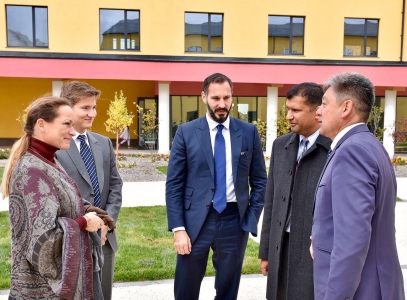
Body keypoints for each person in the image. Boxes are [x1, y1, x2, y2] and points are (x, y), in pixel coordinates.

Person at [166, 72, 267, 300]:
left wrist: (250, 219)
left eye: (227, 98)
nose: (222, 105)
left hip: (234, 220)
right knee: (185, 287)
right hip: (194, 222)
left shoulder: (248, 132)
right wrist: (178, 229)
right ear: (203, 97)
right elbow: (174, 185)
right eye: (215, 98)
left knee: (228, 289)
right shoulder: (186, 132)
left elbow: (260, 181)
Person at [311, 72, 405, 299]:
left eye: (324, 104)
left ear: (346, 108)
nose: (318, 111)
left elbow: (351, 240)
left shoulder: (352, 151)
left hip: (363, 289)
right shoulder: (369, 145)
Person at [2, 96, 105, 299]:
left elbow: (63, 202)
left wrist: (94, 214)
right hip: (42, 291)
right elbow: (44, 242)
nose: (73, 132)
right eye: (66, 124)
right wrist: (84, 223)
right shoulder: (32, 170)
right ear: (41, 124)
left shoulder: (48, 161)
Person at [259, 83, 331, 300]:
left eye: (296, 110)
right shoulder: (280, 145)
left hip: (312, 249)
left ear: (318, 111)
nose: (289, 116)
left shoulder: (334, 148)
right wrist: (266, 252)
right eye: (288, 109)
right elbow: (271, 201)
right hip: (281, 245)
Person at [56, 81, 123, 300]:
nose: (92, 113)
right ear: (67, 107)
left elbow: (115, 186)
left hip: (105, 239)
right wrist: (88, 224)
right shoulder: (56, 146)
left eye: (94, 107)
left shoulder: (103, 143)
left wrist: (106, 222)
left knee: (104, 294)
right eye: (85, 108)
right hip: (74, 239)